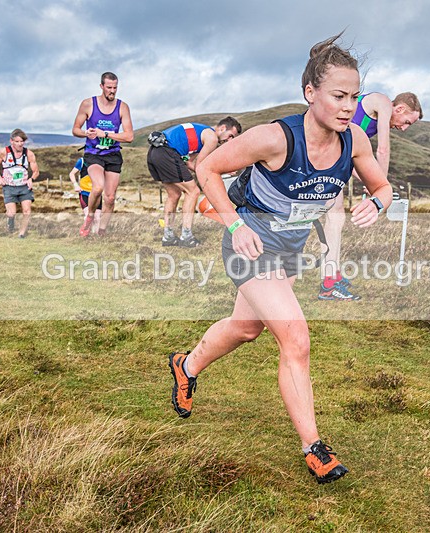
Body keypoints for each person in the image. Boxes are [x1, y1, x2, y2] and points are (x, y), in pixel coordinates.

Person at [167, 33, 392, 484]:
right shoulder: (274, 138)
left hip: (289, 249)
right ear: (310, 92)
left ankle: (185, 366)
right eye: (338, 96)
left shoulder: (354, 143)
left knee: (247, 328)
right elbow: (206, 169)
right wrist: (234, 224)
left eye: (354, 96)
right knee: (296, 338)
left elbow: (381, 186)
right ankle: (314, 448)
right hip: (249, 243)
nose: (349, 107)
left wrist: (379, 202)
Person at [319, 91, 422, 300]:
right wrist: (381, 186)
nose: (403, 128)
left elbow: (354, 157)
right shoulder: (382, 102)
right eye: (407, 122)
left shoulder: (373, 117)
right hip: (325, 157)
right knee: (333, 219)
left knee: (336, 219)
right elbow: (382, 150)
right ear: (400, 108)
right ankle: (328, 284)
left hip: (335, 160)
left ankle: (333, 277)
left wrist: (370, 180)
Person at [147, 117, 242, 247]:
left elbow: (190, 163)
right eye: (231, 136)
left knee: (174, 195)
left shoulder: (201, 134)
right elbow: (200, 167)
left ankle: (168, 237)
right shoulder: (212, 137)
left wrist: (220, 172)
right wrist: (223, 172)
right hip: (167, 152)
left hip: (155, 152)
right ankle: (186, 236)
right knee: (193, 191)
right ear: (223, 128)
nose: (229, 140)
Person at [72, 72, 134, 237]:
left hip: (113, 155)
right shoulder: (88, 104)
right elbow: (75, 130)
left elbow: (129, 136)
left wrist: (106, 134)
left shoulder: (122, 107)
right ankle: (90, 216)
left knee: (110, 198)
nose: (112, 91)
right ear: (101, 86)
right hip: (93, 154)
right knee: (98, 187)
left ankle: (101, 232)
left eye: (115, 88)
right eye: (109, 88)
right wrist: (87, 133)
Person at [0, 129, 39, 238]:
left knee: (27, 211)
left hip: (24, 187)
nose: (19, 144)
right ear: (11, 141)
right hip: (9, 187)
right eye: (17, 141)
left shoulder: (29, 154)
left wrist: (31, 179)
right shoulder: (4, 152)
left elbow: (36, 171)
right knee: (11, 213)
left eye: (22, 141)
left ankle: (21, 234)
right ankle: (10, 224)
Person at [69, 156, 102, 226]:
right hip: (84, 192)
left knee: (97, 218)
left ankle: (96, 236)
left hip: (97, 193)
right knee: (88, 215)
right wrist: (76, 185)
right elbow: (71, 173)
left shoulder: (102, 160)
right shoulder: (82, 161)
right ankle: (86, 234)